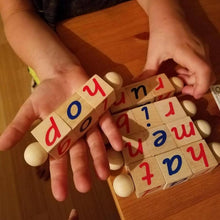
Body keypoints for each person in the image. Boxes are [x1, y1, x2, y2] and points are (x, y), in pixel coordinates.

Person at [0, 0, 215, 202]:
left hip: (137, 42)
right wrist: (55, 69)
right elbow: (15, 10)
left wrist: (168, 15)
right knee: (57, 131)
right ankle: (53, 148)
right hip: (48, 62)